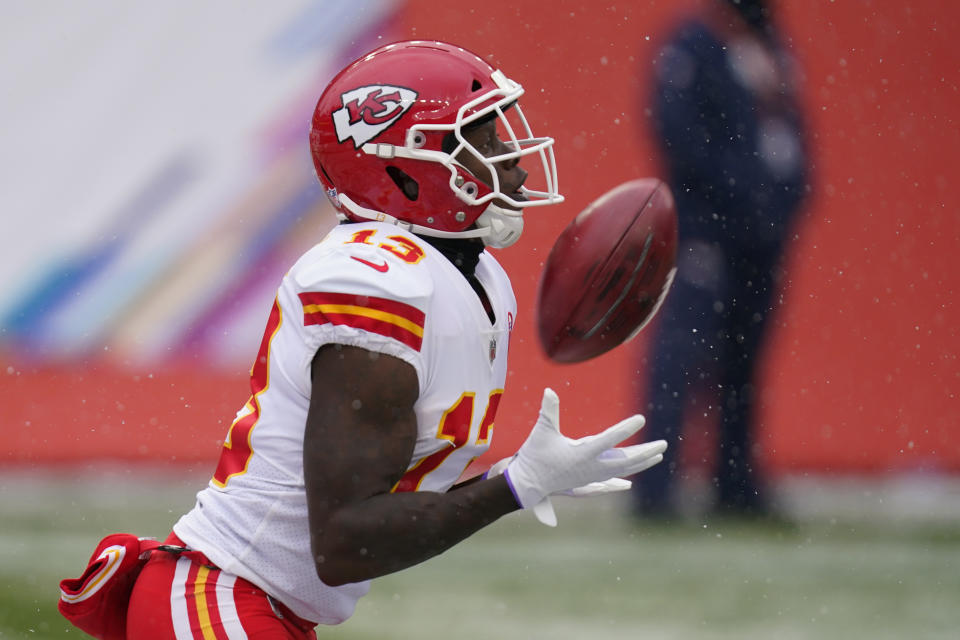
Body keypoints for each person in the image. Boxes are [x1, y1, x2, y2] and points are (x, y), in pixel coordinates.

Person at [63, 40, 668, 638]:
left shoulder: (475, 278)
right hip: (220, 598)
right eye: (481, 140)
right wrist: (512, 487)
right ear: (405, 169)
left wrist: (515, 478)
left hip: (261, 607)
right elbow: (346, 541)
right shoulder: (378, 283)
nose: (513, 159)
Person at [633, 1, 809, 519]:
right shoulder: (692, 45)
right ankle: (656, 491)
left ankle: (734, 484)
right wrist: (738, 193)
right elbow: (680, 136)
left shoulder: (770, 44)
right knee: (680, 359)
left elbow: (789, 131)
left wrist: (788, 197)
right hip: (706, 230)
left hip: (763, 234)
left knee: (743, 362)